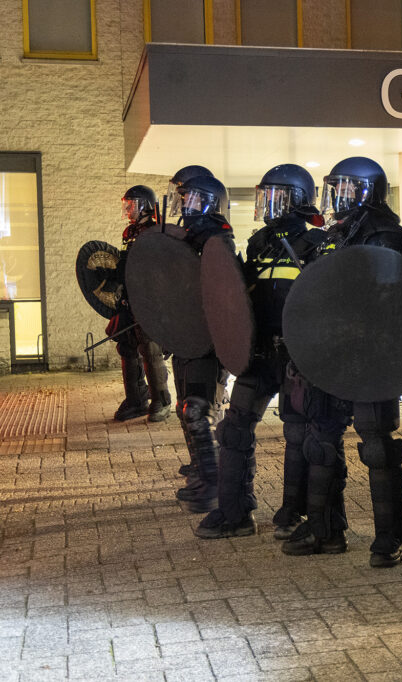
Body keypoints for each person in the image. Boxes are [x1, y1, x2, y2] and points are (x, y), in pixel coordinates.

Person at [280, 156, 402, 566]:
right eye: (335, 187)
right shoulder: (334, 234)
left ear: (370, 190)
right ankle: (326, 529)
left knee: (376, 446)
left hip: (372, 355)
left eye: (348, 188)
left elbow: (393, 297)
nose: (339, 196)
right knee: (321, 438)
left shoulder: (387, 235)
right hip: (330, 353)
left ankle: (391, 536)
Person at [195, 164, 327, 539]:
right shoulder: (258, 243)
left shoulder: (316, 245)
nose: (267, 205)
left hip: (297, 357)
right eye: (264, 196)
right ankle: (234, 513)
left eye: (276, 197)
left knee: (299, 434)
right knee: (234, 430)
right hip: (258, 355)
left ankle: (294, 514)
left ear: (297, 201)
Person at [164, 172, 234, 514]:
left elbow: (220, 293)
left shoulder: (218, 240)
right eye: (182, 198)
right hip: (184, 338)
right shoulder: (185, 238)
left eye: (191, 198)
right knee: (186, 410)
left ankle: (213, 484)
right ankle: (201, 473)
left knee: (198, 410)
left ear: (208, 201)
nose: (184, 204)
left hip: (208, 340)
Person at [109, 185, 172, 422]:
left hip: (150, 300)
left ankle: (161, 400)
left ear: (145, 205)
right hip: (129, 298)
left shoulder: (156, 231)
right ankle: (136, 399)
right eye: (126, 204)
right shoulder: (130, 232)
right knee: (126, 345)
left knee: (150, 347)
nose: (127, 209)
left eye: (131, 204)